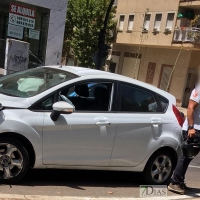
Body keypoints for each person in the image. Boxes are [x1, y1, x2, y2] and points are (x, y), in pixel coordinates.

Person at [168, 88, 200, 194]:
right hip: (193, 130)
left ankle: (179, 182)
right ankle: (175, 183)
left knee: (189, 157)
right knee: (187, 156)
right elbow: (190, 108)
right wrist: (191, 127)